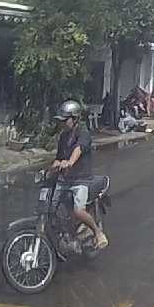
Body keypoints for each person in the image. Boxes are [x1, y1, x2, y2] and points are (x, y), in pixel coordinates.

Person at [52, 100, 108, 249]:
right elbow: (58, 157)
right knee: (51, 208)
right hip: (65, 179)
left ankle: (98, 233)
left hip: (81, 180)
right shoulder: (63, 137)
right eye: (61, 121)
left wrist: (70, 162)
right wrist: (53, 166)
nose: (63, 123)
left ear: (75, 119)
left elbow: (78, 149)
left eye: (65, 120)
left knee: (78, 211)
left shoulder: (83, 133)